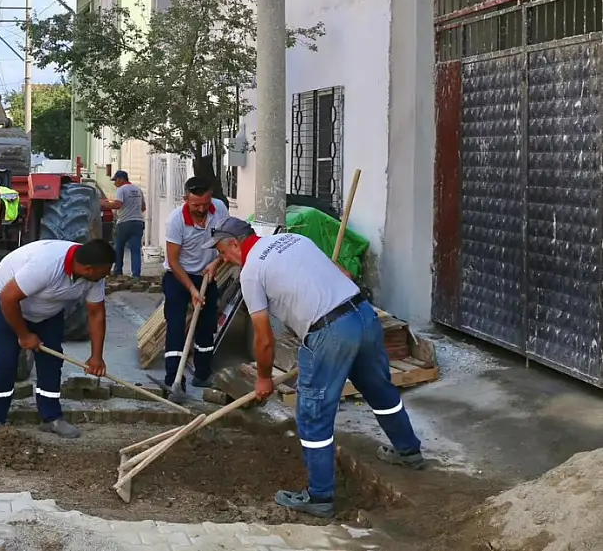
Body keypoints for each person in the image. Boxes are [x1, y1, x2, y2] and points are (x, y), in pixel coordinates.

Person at [210, 217, 425, 518]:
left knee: (313, 413)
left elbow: (263, 337)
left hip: (331, 330)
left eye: (222, 252)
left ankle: (319, 496)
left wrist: (263, 379)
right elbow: (343, 273)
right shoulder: (295, 240)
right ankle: (409, 452)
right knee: (379, 389)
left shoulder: (251, 271)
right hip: (363, 315)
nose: (223, 259)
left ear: (235, 244)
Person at [0, 238, 116, 439]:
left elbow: (96, 313)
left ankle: (51, 417)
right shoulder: (46, 265)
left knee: (52, 362)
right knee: (5, 361)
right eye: (104, 272)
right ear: (88, 269)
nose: (106, 276)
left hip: (48, 312)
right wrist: (24, 335)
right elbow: (8, 298)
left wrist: (96, 356)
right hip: (8, 305)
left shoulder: (94, 278)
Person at [161, 176, 230, 395]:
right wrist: (191, 289)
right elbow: (173, 260)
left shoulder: (218, 209)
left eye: (205, 203)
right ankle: (174, 378)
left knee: (207, 324)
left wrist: (216, 261)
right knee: (175, 325)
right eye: (196, 205)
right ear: (185, 199)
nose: (201, 209)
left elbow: (227, 241)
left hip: (206, 275)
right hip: (178, 276)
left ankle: (202, 374)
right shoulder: (176, 221)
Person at [107, 170, 146, 278]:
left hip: (124, 223)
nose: (115, 183)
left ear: (121, 179)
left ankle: (118, 271)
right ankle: (136, 275)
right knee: (135, 250)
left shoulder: (121, 190)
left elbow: (117, 205)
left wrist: (106, 204)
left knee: (119, 248)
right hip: (138, 222)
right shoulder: (138, 189)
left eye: (116, 180)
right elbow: (143, 208)